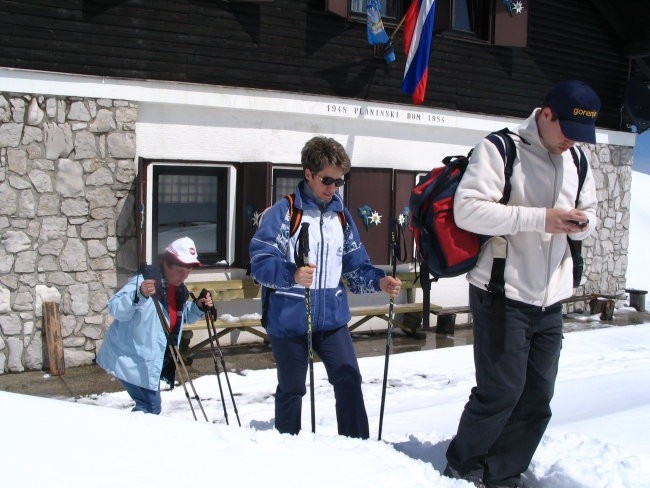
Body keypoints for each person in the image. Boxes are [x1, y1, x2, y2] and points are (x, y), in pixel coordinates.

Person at [444, 80, 601, 488]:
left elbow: (591, 211)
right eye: (566, 129)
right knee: (500, 392)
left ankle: (504, 474)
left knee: (537, 398)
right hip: (502, 292)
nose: (571, 141)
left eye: (580, 135)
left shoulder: (578, 160)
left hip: (551, 298)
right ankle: (463, 468)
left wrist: (581, 224)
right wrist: (540, 218)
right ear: (545, 113)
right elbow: (468, 210)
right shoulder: (501, 148)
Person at [249, 136, 402, 439]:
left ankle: (358, 447)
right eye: (327, 180)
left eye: (339, 181)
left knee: (348, 377)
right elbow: (261, 262)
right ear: (308, 173)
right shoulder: (285, 213)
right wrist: (292, 274)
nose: (332, 187)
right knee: (293, 387)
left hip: (331, 318)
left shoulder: (341, 218)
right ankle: (286, 445)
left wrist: (379, 281)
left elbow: (356, 266)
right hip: (290, 318)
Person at [97, 236, 213, 414]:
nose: (184, 276)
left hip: (150, 361)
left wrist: (198, 307)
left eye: (188, 271)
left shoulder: (178, 290)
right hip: (130, 359)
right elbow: (116, 308)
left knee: (148, 409)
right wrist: (140, 295)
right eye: (180, 270)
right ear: (167, 264)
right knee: (150, 408)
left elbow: (178, 318)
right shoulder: (144, 282)